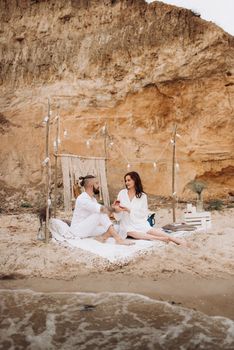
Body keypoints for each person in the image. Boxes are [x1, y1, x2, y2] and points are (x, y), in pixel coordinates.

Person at [113, 171, 187, 246]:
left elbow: (143, 213)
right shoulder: (122, 193)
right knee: (129, 232)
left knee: (151, 230)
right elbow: (118, 210)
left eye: (129, 180)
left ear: (135, 180)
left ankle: (175, 239)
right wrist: (116, 208)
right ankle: (161, 239)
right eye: (126, 181)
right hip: (126, 223)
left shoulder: (142, 196)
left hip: (138, 221)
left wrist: (129, 210)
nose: (126, 183)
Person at [70, 175, 133, 245]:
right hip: (78, 230)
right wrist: (114, 209)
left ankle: (103, 237)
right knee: (100, 213)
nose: (99, 186)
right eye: (96, 183)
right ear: (91, 185)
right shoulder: (82, 198)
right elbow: (101, 210)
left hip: (89, 228)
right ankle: (119, 240)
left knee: (118, 228)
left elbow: (105, 216)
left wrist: (113, 207)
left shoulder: (93, 199)